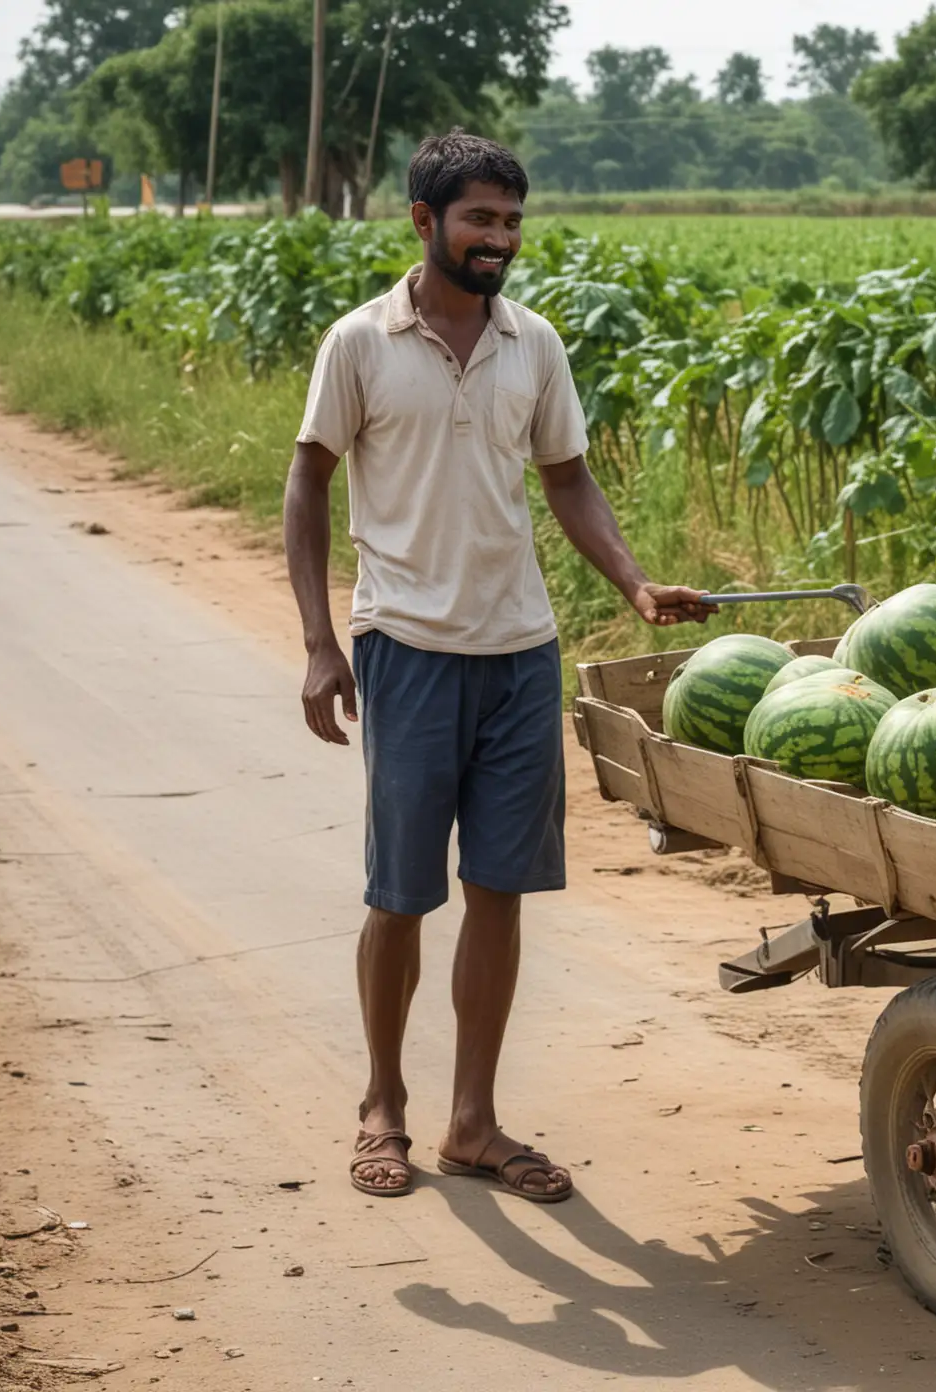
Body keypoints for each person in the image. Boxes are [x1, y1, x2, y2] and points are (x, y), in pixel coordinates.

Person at [282, 130, 712, 1204]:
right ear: (424, 224)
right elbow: (307, 488)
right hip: (408, 649)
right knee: (400, 894)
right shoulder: (361, 345)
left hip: (519, 651)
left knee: (501, 891)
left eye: (512, 221)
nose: (500, 239)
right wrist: (319, 643)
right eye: (479, 218)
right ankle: (384, 1105)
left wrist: (634, 582)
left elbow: (568, 482)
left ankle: (473, 1123)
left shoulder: (535, 345)